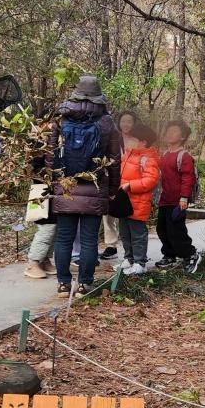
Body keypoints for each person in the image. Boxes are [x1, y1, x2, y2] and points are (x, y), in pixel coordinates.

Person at [47, 76, 121, 297]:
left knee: (63, 238)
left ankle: (62, 284)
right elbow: (114, 159)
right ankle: (84, 285)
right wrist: (112, 190)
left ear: (75, 93)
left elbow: (50, 156)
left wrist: (54, 184)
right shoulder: (107, 122)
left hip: (66, 186)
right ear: (99, 97)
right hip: (95, 187)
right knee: (89, 240)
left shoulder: (60, 119)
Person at [156, 119, 201, 273]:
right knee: (161, 228)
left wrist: (184, 198)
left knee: (176, 230)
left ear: (182, 137)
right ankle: (169, 254)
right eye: (168, 132)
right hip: (164, 199)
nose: (170, 134)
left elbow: (188, 178)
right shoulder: (165, 154)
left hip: (177, 201)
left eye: (174, 132)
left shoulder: (184, 156)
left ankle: (191, 254)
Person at [117, 123, 160, 275]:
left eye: (131, 138)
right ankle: (128, 258)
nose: (127, 141)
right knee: (124, 233)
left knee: (137, 235)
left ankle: (140, 262)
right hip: (124, 203)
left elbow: (150, 180)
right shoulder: (127, 155)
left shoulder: (148, 159)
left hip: (139, 203)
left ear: (143, 142)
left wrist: (131, 185)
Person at [101, 110, 137, 260]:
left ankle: (135, 249)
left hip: (130, 183)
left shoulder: (138, 140)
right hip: (113, 179)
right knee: (108, 213)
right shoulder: (113, 137)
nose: (126, 124)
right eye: (123, 121)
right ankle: (111, 245)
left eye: (129, 121)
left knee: (130, 214)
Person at [23, 119, 57, 279]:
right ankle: (33, 263)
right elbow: (32, 169)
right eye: (49, 123)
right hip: (40, 192)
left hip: (53, 191)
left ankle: (45, 260)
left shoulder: (57, 141)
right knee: (46, 228)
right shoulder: (36, 144)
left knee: (54, 228)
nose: (52, 126)